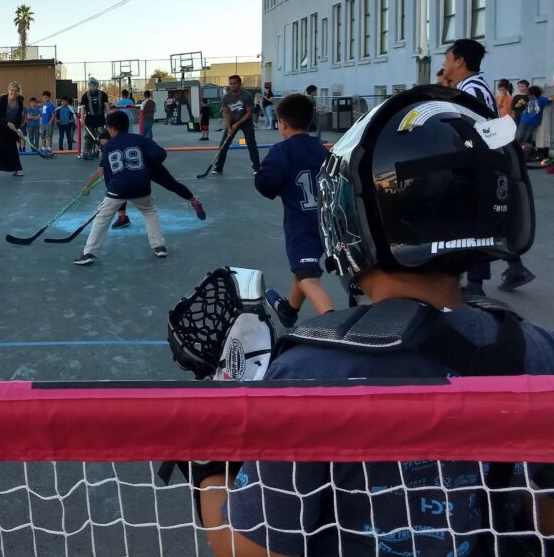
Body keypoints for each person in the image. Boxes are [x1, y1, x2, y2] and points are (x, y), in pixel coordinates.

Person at [197, 85, 554, 557]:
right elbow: (543, 520)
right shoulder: (537, 350)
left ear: (356, 217)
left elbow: (248, 548)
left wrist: (208, 469)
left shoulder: (310, 376)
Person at [442, 39, 535, 294]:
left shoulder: (470, 90)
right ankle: (514, 268)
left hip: (478, 162)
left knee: (475, 219)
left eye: (447, 58)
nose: (444, 63)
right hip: (486, 160)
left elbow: (471, 127)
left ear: (459, 61)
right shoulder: (474, 86)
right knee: (487, 217)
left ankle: (475, 285)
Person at [253, 94, 333, 327]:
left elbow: (266, 184)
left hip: (302, 222)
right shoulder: (323, 150)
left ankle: (333, 323)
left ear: (283, 123)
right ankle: (289, 310)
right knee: (303, 266)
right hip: (329, 219)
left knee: (307, 276)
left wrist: (262, 176)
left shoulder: (282, 150)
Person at [73, 110, 167, 265]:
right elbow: (161, 154)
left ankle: (89, 252)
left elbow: (107, 172)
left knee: (102, 217)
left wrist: (106, 190)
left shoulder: (109, 146)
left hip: (118, 186)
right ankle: (159, 246)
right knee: (150, 211)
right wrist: (146, 168)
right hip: (141, 184)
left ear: (112, 129)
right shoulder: (140, 139)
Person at [85, 129, 206, 231]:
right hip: (134, 174)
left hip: (150, 167)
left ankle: (194, 201)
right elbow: (101, 171)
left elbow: (100, 172)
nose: (103, 148)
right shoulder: (110, 151)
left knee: (172, 185)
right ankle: (122, 217)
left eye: (105, 145)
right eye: (102, 146)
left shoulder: (120, 145)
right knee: (120, 188)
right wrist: (88, 186)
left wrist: (88, 187)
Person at [208, 75, 261, 176]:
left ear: (239, 84)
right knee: (224, 143)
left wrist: (238, 123)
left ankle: (257, 167)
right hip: (231, 121)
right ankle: (219, 167)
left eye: (235, 83)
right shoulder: (226, 97)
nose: (232, 85)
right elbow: (226, 113)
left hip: (246, 121)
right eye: (231, 83)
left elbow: (249, 113)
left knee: (251, 143)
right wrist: (229, 127)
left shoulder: (247, 95)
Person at [0, 82, 25, 177]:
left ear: (18, 92)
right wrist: (7, 123)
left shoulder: (19, 102)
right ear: (8, 90)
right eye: (11, 90)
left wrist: (18, 128)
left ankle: (16, 169)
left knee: (12, 146)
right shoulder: (2, 100)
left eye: (16, 91)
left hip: (11, 126)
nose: (13, 92)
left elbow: (18, 118)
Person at [80, 77, 110, 159]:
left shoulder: (103, 94)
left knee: (103, 135)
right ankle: (87, 152)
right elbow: (82, 108)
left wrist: (109, 117)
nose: (93, 87)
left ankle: (105, 151)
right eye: (91, 86)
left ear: (97, 86)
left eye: (94, 85)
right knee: (88, 136)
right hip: (89, 118)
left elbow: (107, 106)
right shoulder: (85, 95)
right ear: (89, 86)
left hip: (100, 118)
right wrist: (82, 119)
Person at [516, 85, 550, 153]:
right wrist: (521, 103)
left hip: (533, 122)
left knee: (525, 137)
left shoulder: (542, 99)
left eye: (529, 93)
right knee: (519, 136)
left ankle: (520, 151)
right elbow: (517, 105)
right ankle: (515, 149)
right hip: (524, 120)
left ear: (533, 94)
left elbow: (550, 98)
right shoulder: (528, 98)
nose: (527, 94)